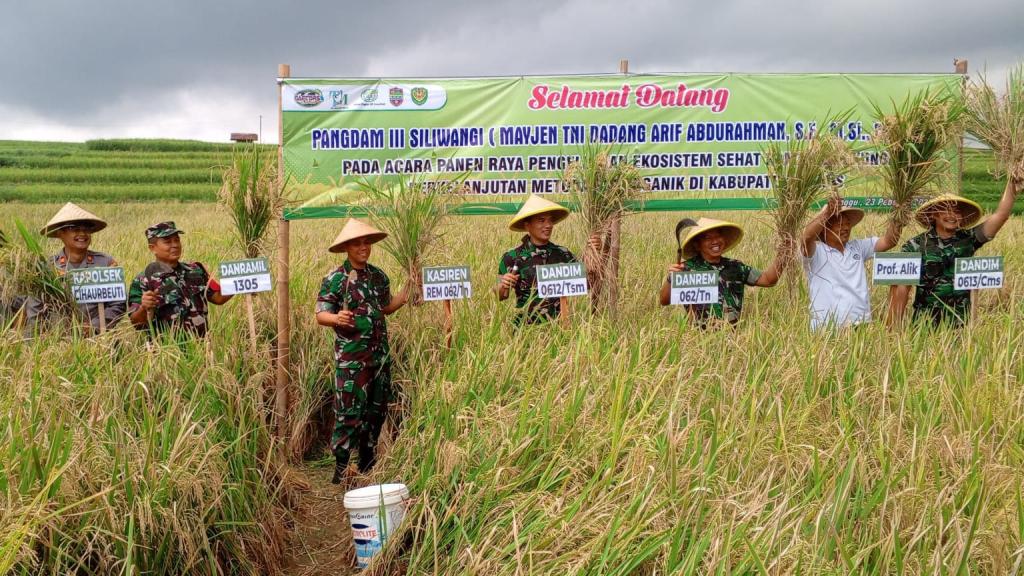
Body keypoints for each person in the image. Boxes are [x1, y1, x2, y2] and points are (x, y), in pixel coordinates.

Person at [315, 218, 411, 484]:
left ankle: (368, 464)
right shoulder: (335, 279)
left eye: (367, 242)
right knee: (348, 413)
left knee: (376, 411)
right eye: (357, 243)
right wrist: (337, 319)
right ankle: (342, 467)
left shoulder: (379, 277)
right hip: (351, 361)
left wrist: (405, 295)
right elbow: (321, 314)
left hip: (379, 359)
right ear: (347, 246)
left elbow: (386, 307)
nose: (363, 247)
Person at [889, 181, 1019, 326]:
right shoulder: (915, 246)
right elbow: (901, 288)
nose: (952, 215)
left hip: (961, 326)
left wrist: (1012, 185)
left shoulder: (969, 239)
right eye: (946, 210)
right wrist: (893, 330)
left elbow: (1001, 216)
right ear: (933, 214)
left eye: (957, 211)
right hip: (924, 326)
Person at [658, 217, 783, 325]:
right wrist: (671, 278)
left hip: (732, 339)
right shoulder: (686, 269)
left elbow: (768, 280)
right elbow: (664, 301)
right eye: (708, 238)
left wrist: (784, 253)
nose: (715, 241)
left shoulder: (736, 267)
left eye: (718, 235)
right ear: (697, 245)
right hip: (698, 339)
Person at [801, 197, 903, 330]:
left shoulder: (857, 247)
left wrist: (899, 216)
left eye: (847, 223)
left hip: (861, 326)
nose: (845, 228)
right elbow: (806, 239)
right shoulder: (816, 252)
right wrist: (826, 213)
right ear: (824, 228)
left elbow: (889, 241)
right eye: (839, 223)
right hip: (827, 330)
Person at [127, 221, 232, 336]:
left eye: (177, 240)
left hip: (202, 348)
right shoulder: (142, 281)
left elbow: (218, 298)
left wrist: (240, 283)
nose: (175, 245)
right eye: (167, 242)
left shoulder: (196, 269)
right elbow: (136, 323)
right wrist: (144, 307)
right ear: (153, 248)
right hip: (169, 351)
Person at [41, 202, 126, 333]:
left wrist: (95, 326)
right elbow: (37, 306)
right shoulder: (48, 267)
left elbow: (118, 304)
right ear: (60, 233)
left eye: (86, 229)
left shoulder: (106, 263)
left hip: (99, 339)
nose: (82, 233)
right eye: (74, 228)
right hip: (57, 338)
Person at [496, 194, 577, 325]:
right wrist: (503, 284)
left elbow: (586, 283)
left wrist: (595, 251)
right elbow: (501, 296)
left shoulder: (564, 254)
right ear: (527, 226)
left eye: (550, 220)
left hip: (561, 329)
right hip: (525, 330)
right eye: (541, 220)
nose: (548, 225)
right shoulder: (512, 257)